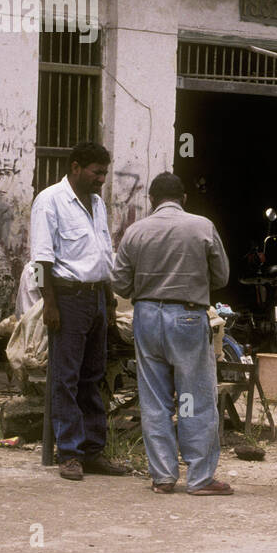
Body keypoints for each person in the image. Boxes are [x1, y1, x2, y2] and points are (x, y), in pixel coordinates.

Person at [112, 172, 232, 495]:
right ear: (184, 199)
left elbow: (120, 284)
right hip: (188, 317)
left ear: (151, 200)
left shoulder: (135, 232)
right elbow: (221, 276)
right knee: (194, 397)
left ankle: (163, 477)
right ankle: (199, 477)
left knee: (154, 400)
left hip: (147, 317)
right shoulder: (202, 226)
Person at [29, 140, 129, 482]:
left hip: (97, 299)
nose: (101, 178)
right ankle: (68, 453)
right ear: (75, 167)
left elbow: (103, 254)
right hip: (68, 299)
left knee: (93, 376)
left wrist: (110, 300)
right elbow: (42, 260)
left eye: (104, 172)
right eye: (96, 172)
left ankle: (92, 452)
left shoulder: (98, 204)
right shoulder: (49, 202)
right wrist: (50, 305)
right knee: (66, 378)